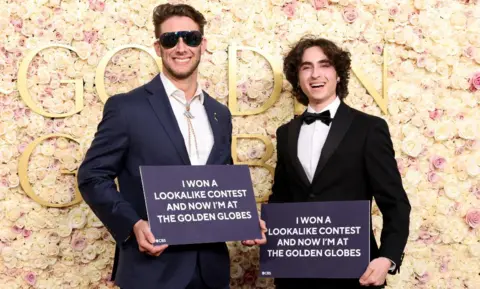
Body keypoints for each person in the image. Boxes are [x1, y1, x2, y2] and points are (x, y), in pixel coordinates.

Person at [77, 3, 265, 289]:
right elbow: (92, 176)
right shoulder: (127, 108)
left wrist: (245, 222)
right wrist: (133, 225)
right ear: (158, 46)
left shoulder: (219, 113)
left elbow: (218, 183)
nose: (181, 47)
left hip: (211, 272)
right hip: (151, 271)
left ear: (203, 44)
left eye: (190, 38)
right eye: (170, 39)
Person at [269, 37, 411, 288]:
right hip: (295, 274)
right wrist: (259, 227)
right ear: (298, 78)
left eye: (324, 65)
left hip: (356, 275)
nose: (315, 74)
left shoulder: (369, 128)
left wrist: (387, 257)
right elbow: (281, 199)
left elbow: (395, 202)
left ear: (338, 75)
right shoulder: (285, 133)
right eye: (306, 67)